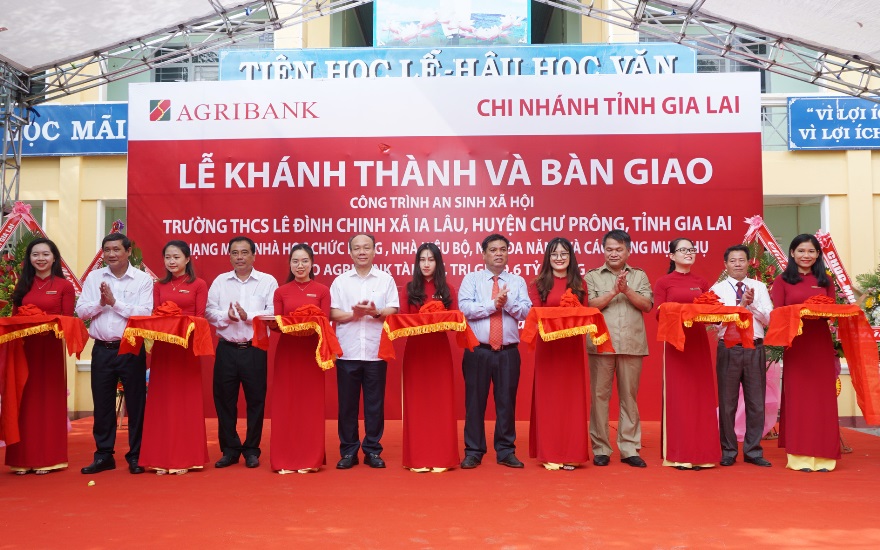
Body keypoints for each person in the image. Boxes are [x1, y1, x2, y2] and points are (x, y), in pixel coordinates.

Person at [76, 232, 154, 475]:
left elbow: (145, 313)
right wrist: (101, 302)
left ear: (128, 251)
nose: (111, 254)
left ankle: (136, 455)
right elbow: (81, 311)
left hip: (131, 347)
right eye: (107, 250)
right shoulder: (94, 278)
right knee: (102, 404)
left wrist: (114, 303)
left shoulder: (142, 280)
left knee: (136, 404)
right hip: (102, 348)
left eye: (116, 249)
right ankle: (103, 455)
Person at [459, 233, 531, 469]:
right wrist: (493, 304)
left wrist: (506, 302)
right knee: (474, 402)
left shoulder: (517, 281)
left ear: (508, 253)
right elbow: (466, 309)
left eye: (503, 249)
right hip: (478, 351)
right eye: (493, 250)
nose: (498, 254)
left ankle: (506, 450)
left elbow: (526, 312)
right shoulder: (472, 279)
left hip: (508, 351)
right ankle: (473, 450)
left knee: (506, 403)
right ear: (484, 254)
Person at [5, 238, 75, 475]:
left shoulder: (64, 286)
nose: (41, 258)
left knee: (48, 401)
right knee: (24, 401)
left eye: (46, 254)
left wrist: (43, 322)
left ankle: (48, 458)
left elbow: (68, 321)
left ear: (54, 258)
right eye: (36, 254)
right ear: (29, 259)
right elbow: (14, 319)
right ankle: (22, 459)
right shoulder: (23, 284)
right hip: (24, 349)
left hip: (50, 351)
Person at [206, 236, 277, 469]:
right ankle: (230, 449)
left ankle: (252, 449)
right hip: (227, 348)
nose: (239, 257)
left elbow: (273, 313)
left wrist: (249, 317)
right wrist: (226, 316)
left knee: (256, 400)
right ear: (229, 256)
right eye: (235, 253)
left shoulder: (267, 281)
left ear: (254, 256)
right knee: (224, 400)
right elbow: (209, 311)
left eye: (244, 252)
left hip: (254, 349)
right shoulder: (220, 281)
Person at [770, 234, 839, 472]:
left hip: (820, 343)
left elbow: (832, 312)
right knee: (799, 398)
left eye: (811, 251)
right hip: (796, 345)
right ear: (792, 253)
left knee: (822, 399)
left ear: (818, 254)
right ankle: (799, 456)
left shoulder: (825, 280)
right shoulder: (782, 280)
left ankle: (824, 456)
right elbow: (777, 314)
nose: (806, 255)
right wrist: (801, 311)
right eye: (801, 251)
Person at [330, 234, 399, 469]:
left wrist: (375, 312)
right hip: (347, 352)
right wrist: (355, 315)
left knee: (374, 405)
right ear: (350, 253)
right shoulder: (340, 281)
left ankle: (372, 450)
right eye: (357, 248)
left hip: (375, 351)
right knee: (347, 405)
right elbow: (332, 313)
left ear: (374, 251)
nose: (362, 252)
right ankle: (349, 451)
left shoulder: (385, 279)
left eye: (366, 248)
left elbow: (393, 309)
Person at [140, 240, 209, 475]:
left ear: (187, 259)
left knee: (185, 402)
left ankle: (186, 458)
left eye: (176, 257)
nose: (172, 261)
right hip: (164, 349)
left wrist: (180, 325)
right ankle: (160, 457)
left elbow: (200, 318)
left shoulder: (198, 284)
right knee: (163, 402)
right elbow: (155, 315)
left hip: (186, 348)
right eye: (168, 257)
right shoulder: (159, 285)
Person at [585, 230, 653, 468]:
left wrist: (627, 290)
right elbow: (589, 306)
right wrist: (614, 291)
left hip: (631, 344)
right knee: (599, 397)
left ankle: (629, 448)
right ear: (603, 250)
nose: (614, 253)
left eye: (619, 249)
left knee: (629, 398)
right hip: (601, 343)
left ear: (628, 251)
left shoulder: (639, 276)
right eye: (609, 249)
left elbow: (647, 305)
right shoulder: (592, 276)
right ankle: (601, 448)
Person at [653, 237, 719, 470]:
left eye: (691, 249)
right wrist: (683, 310)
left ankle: (703, 454)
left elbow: (712, 309)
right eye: (683, 250)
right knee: (680, 398)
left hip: (698, 342)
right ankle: (679, 454)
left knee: (700, 397)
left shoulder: (701, 282)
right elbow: (659, 312)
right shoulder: (664, 282)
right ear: (671, 256)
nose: (689, 253)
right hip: (675, 343)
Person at [527, 237, 589, 470]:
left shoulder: (580, 283)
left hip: (571, 348)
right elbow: (536, 314)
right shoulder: (538, 284)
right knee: (549, 400)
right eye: (554, 254)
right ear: (548, 258)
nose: (559, 258)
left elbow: (585, 313)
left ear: (571, 257)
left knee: (571, 400)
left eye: (564, 254)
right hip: (548, 347)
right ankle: (551, 453)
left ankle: (571, 454)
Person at [270, 244, 331, 474]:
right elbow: (277, 323)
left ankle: (310, 459)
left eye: (304, 261)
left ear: (312, 263)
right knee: (286, 404)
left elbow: (325, 322)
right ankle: (284, 459)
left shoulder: (322, 290)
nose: (300, 266)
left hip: (312, 353)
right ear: (290, 264)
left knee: (309, 405)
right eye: (295, 261)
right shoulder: (281, 291)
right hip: (288, 352)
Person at [710, 244, 773, 468]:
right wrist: (740, 305)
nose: (737, 264)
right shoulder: (717, 289)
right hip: (729, 348)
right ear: (725, 265)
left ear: (748, 263)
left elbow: (769, 319)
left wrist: (752, 305)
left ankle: (753, 451)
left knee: (756, 402)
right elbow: (716, 322)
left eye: (741, 260)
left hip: (754, 348)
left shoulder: (759, 287)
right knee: (727, 403)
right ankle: (728, 450)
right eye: (733, 261)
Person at [399, 243, 460, 472]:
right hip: (416, 350)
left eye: (431, 260)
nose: (426, 264)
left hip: (439, 350)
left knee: (440, 402)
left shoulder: (448, 289)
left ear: (438, 263)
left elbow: (455, 321)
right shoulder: (409, 288)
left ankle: (441, 457)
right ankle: (418, 458)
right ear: (417, 263)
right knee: (417, 403)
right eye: (422, 260)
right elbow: (403, 319)